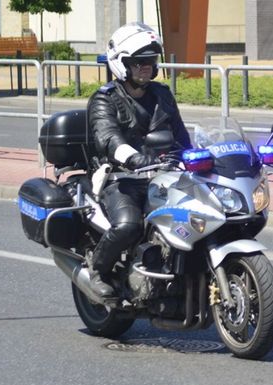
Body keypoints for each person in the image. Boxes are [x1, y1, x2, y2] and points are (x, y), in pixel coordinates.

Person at [85, 22, 192, 298]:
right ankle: (98, 270)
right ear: (121, 64)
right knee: (129, 225)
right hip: (121, 178)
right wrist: (133, 158)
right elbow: (108, 138)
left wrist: (196, 156)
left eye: (151, 61)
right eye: (139, 62)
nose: (147, 67)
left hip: (164, 175)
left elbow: (181, 136)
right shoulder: (104, 99)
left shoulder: (162, 94)